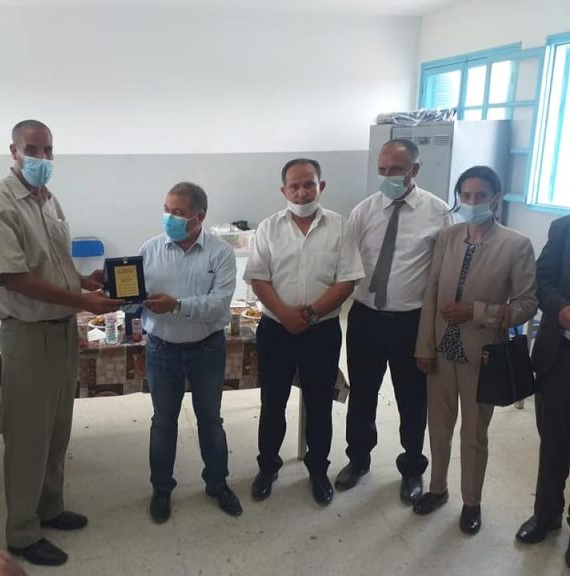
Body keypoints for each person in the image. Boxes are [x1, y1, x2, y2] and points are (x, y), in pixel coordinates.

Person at [0, 120, 122, 567]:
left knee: (57, 428)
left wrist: (82, 281)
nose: (42, 158)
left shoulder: (48, 199)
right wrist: (82, 301)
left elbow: (53, 262)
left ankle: (50, 508)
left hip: (61, 329)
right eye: (33, 149)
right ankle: (21, 533)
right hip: (27, 332)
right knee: (27, 436)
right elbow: (15, 277)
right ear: (14, 151)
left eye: (48, 150)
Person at [414, 166, 537, 534]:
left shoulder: (516, 245)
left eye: (480, 195)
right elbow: (431, 295)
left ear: (495, 198)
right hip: (441, 351)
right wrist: (424, 347)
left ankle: (471, 501)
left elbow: (527, 304)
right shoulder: (448, 237)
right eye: (465, 196)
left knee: (474, 433)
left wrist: (476, 312)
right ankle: (437, 488)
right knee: (438, 427)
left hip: (482, 355)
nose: (472, 202)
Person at [337, 139, 452, 504]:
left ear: (414, 170)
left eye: (396, 170)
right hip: (365, 317)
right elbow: (346, 262)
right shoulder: (364, 211)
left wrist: (433, 332)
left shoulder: (437, 212)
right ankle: (358, 459)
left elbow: (443, 273)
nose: (387, 177)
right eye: (382, 170)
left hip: (411, 322)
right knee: (362, 394)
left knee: (412, 398)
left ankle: (412, 467)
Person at [244, 159, 364, 504]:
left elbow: (347, 280)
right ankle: (268, 467)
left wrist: (310, 314)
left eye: (308, 184)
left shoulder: (340, 226)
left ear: (320, 186)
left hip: (321, 331)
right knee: (272, 403)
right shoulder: (269, 227)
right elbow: (258, 278)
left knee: (319, 405)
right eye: (294, 186)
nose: (301, 192)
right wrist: (285, 314)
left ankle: (318, 470)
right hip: (275, 330)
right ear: (283, 190)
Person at [138, 181, 242, 524]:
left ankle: (217, 484)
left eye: (179, 212)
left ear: (199, 217)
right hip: (161, 349)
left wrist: (177, 305)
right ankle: (161, 489)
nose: (169, 217)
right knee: (162, 422)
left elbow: (219, 305)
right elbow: (133, 298)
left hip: (206, 349)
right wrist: (117, 295)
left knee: (210, 420)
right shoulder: (149, 250)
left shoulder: (220, 253)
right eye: (166, 210)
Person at [516, 214, 570, 562]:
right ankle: (547, 513)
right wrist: (561, 309)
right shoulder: (565, 228)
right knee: (553, 440)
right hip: (561, 355)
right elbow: (542, 279)